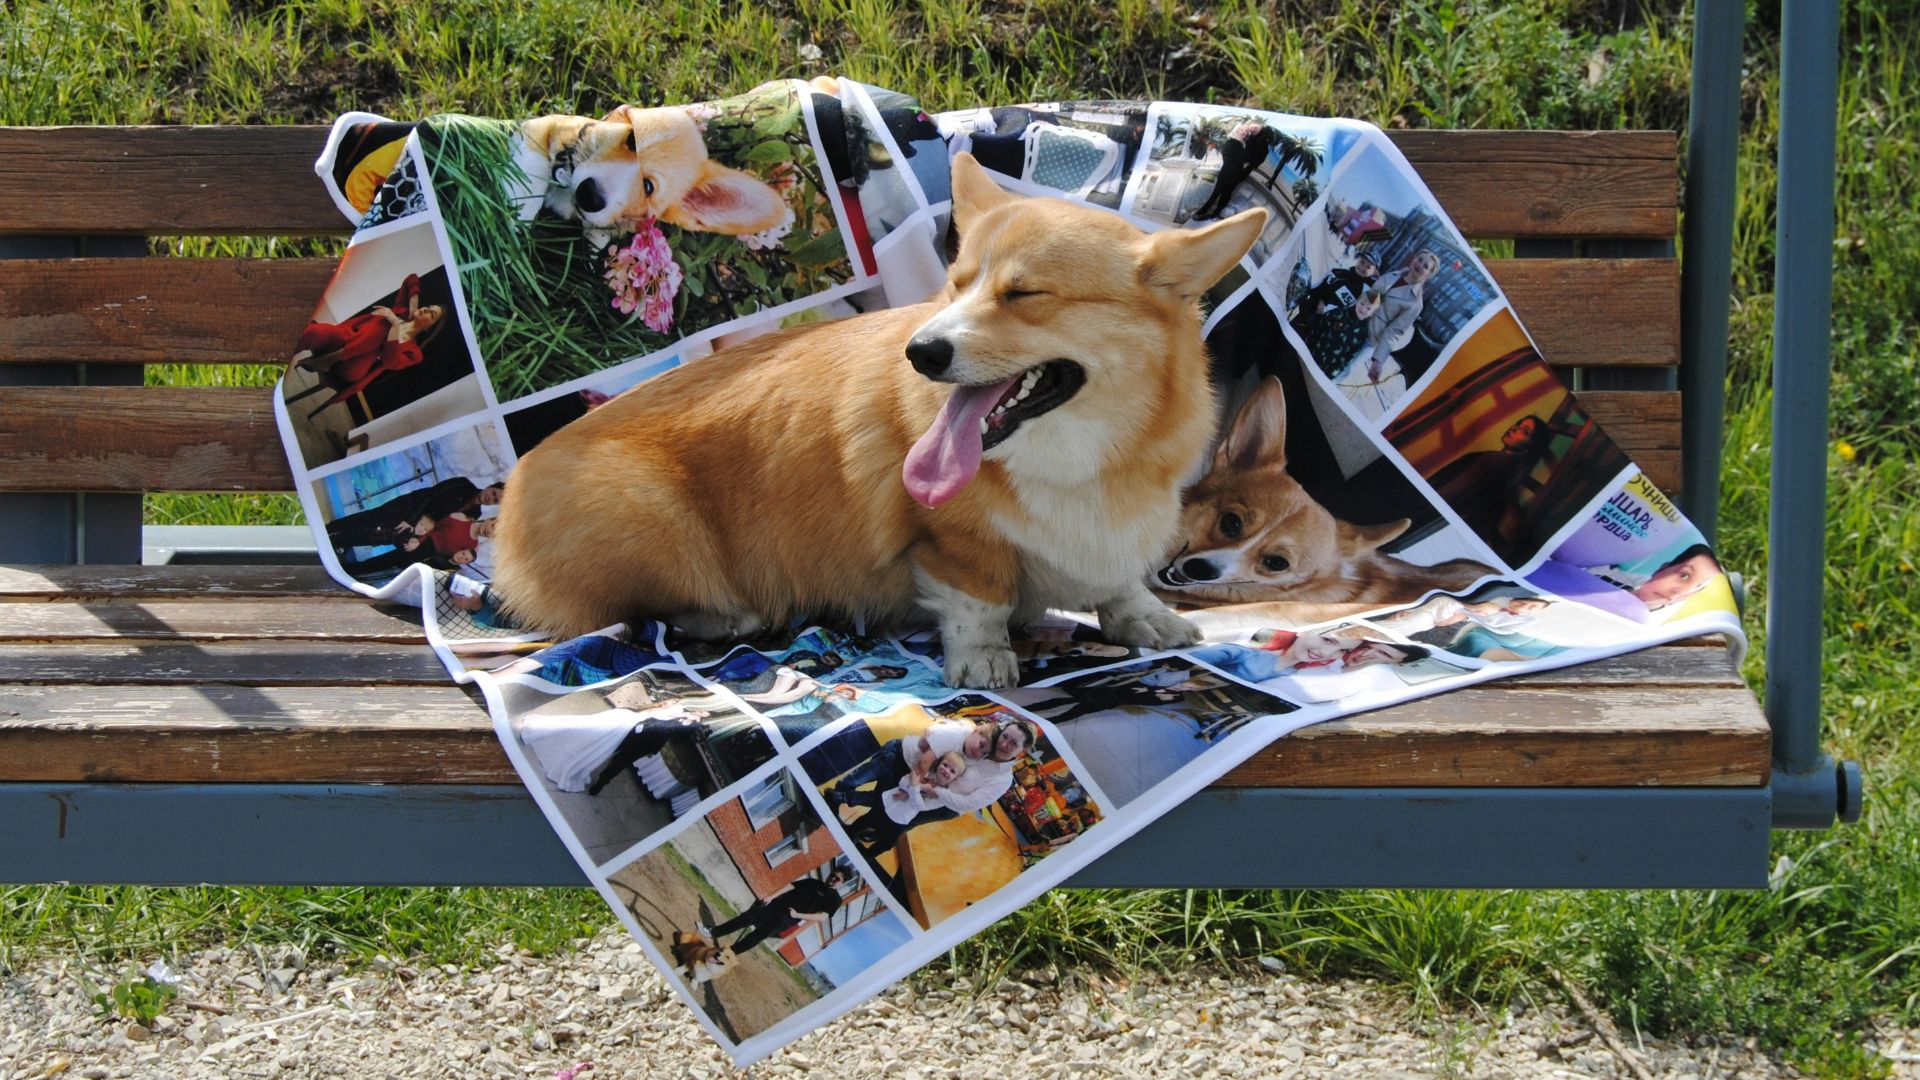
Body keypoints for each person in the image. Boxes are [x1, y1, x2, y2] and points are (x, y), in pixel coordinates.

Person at [824, 716, 1035, 855]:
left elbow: (968, 803)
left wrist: (930, 789)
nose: (1004, 744)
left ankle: (864, 833)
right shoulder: (985, 740)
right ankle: (854, 823)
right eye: (1006, 737)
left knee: (902, 820)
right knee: (888, 800)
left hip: (944, 804)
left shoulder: (1002, 778)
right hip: (924, 779)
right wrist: (931, 734)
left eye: (1013, 744)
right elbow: (945, 735)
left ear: (1022, 751)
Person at [515, 701, 708, 794]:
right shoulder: (676, 707)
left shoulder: (691, 725)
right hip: (629, 727)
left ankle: (600, 782)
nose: (700, 714)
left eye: (704, 714)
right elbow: (651, 713)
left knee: (615, 760)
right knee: (594, 740)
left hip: (642, 742)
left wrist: (688, 722)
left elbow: (676, 737)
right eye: (701, 710)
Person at [1426, 414, 1554, 540]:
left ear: (1530, 447)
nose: (1514, 428)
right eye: (1518, 424)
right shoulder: (1508, 467)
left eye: (1525, 432)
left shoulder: (1494, 461)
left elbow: (1448, 493)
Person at [700, 868, 850, 958]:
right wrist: (771, 897)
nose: (832, 879)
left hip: (785, 918)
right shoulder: (812, 882)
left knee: (755, 937)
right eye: (832, 875)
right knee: (744, 919)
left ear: (842, 883)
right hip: (775, 906)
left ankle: (725, 955)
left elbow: (823, 916)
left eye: (837, 879)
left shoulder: (835, 899)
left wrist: (797, 915)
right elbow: (791, 886)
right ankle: (713, 932)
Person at [1351, 250, 1442, 382]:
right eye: (1420, 259)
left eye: (1426, 266)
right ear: (1414, 259)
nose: (1420, 264)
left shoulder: (1415, 303)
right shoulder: (1394, 275)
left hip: (1370, 339)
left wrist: (1378, 360)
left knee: (1347, 368)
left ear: (1428, 275)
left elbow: (1394, 331)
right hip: (1356, 322)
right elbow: (1371, 295)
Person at [1192, 120, 1278, 220]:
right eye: (1243, 130)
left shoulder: (1252, 142)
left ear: (1260, 126)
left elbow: (1256, 160)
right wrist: (1243, 163)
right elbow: (1228, 155)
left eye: (1247, 131)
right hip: (1229, 172)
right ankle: (1206, 212)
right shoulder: (1237, 141)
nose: (1248, 131)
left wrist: (1246, 164)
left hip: (1236, 174)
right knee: (1218, 193)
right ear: (1238, 130)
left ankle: (1211, 213)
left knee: (1224, 194)